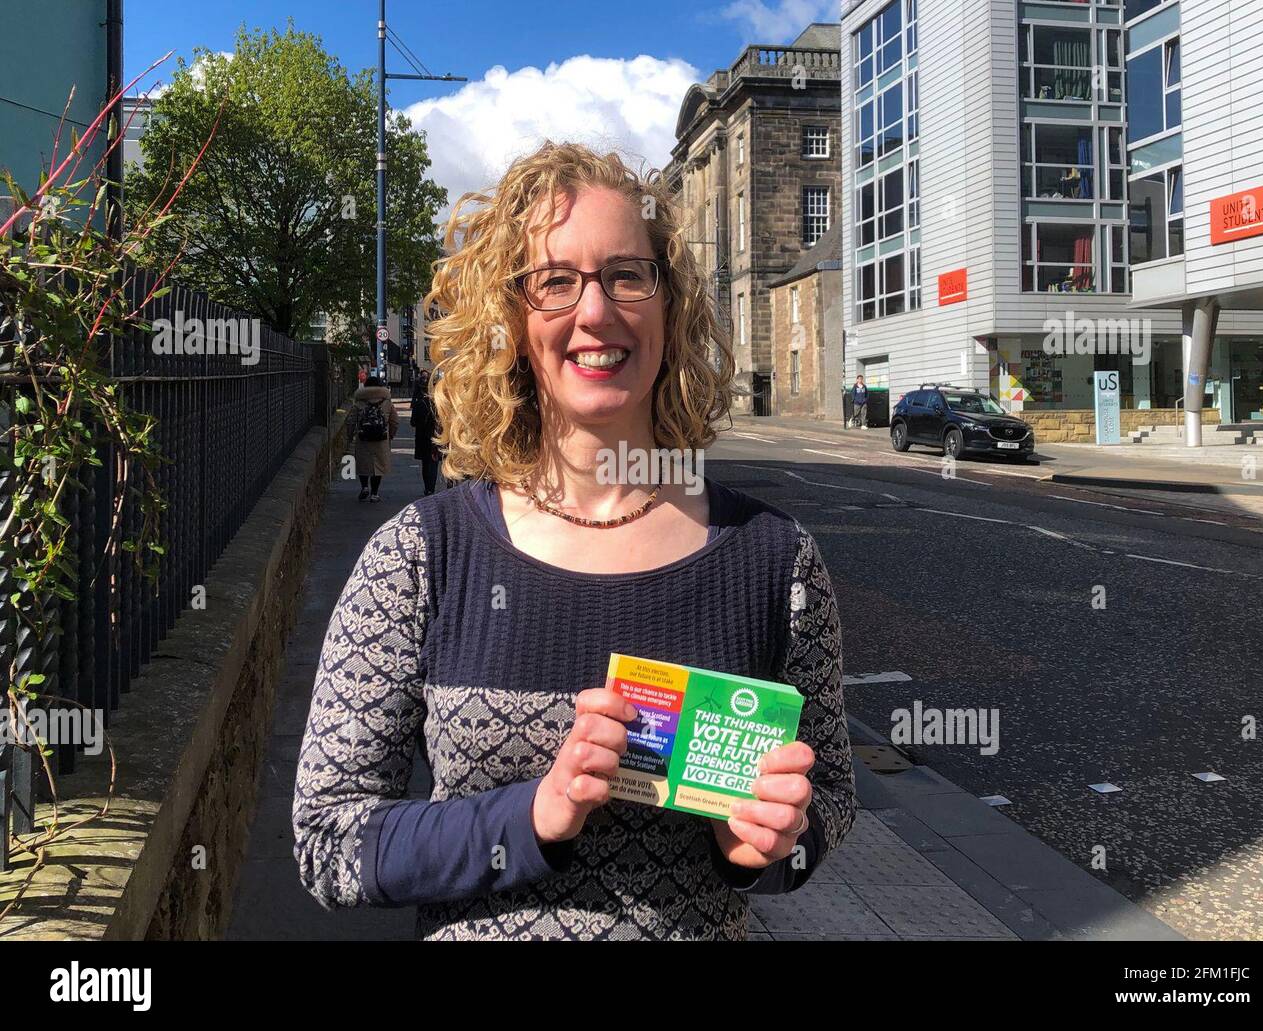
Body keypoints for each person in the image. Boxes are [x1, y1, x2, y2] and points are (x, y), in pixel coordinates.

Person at [293, 140, 855, 940]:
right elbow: (327, 841)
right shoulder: (420, 557)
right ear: (515, 324)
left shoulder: (773, 559)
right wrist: (532, 816)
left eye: (628, 274)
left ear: (671, 305)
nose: (596, 310)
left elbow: (830, 794)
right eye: (556, 282)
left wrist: (763, 849)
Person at [345, 374, 399, 502]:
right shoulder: (387, 401)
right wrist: (391, 434)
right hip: (381, 439)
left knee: (363, 464)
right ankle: (375, 493)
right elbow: (394, 421)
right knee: (378, 466)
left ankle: (364, 487)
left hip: (363, 437)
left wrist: (350, 436)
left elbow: (351, 421)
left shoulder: (359, 401)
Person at [410, 371, 441, 496]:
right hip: (435, 435)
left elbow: (413, 422)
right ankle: (431, 488)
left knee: (425, 462)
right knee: (433, 462)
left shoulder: (419, 403)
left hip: (422, 435)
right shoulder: (438, 403)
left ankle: (427, 487)